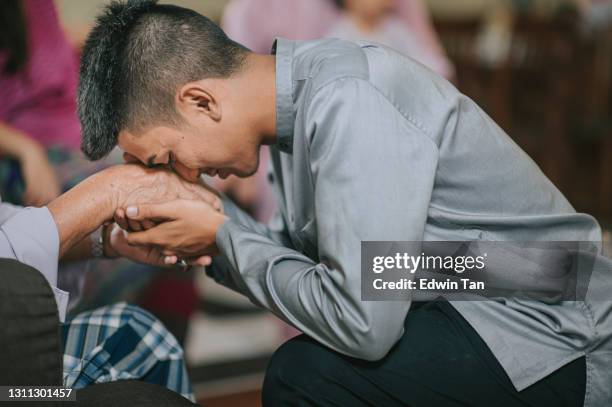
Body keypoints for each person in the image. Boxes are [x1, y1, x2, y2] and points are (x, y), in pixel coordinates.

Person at [77, 1, 611, 406]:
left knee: (304, 374)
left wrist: (221, 234)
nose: (185, 172)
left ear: (200, 101)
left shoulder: (345, 99)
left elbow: (362, 322)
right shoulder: (297, 96)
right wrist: (211, 234)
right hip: (466, 285)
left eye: (169, 155)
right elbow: (347, 268)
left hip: (549, 320)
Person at [0, 163, 221, 401]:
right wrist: (110, 190)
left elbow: (7, 224)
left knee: (140, 334)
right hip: (9, 393)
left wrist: (108, 241)